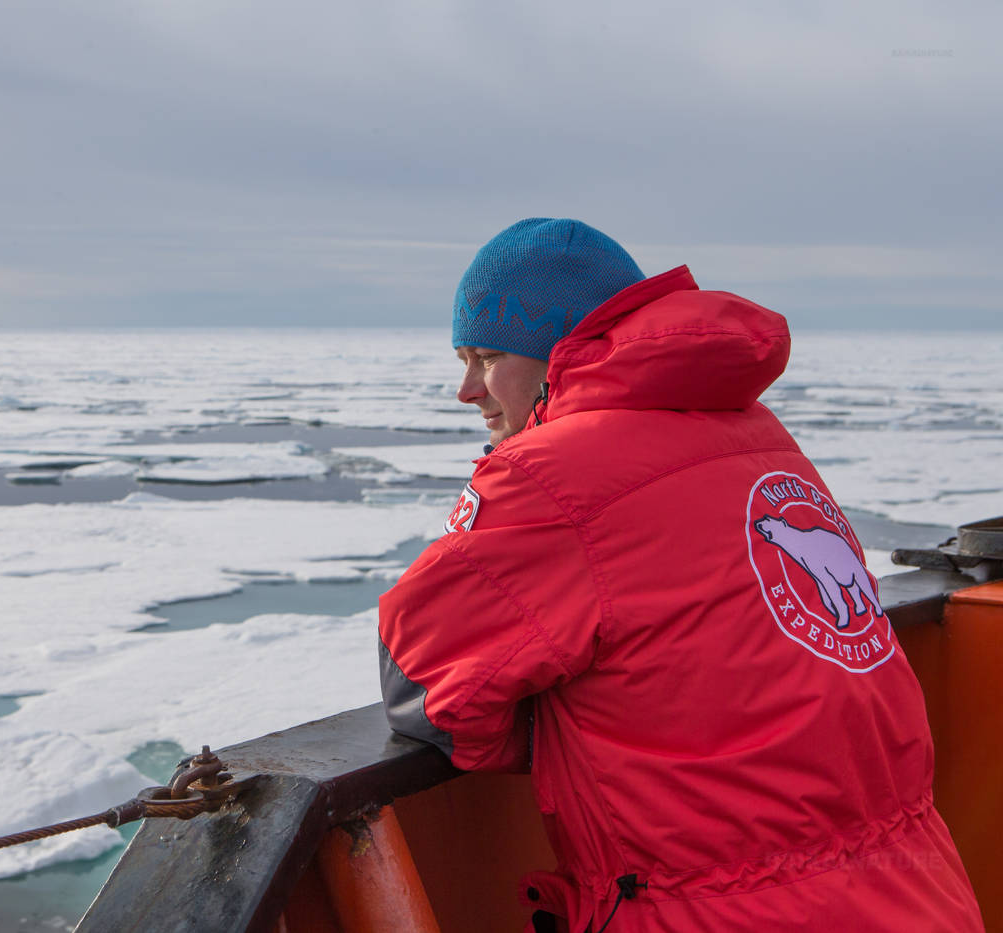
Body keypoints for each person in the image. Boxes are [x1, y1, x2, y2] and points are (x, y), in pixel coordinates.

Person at [377, 219, 984, 932]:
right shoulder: (757, 436)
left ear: (558, 351)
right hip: (916, 893)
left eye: (486, 356)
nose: (466, 390)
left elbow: (419, 674)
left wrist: (567, 733)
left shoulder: (549, 479)